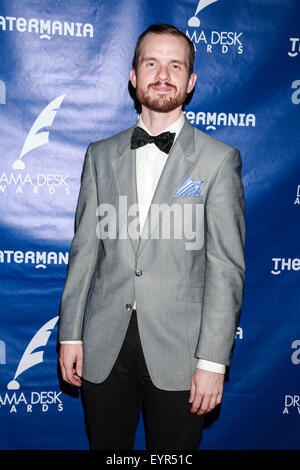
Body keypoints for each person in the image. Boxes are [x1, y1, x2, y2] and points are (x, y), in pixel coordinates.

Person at [58, 23, 246, 451]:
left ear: (191, 81)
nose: (163, 75)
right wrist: (71, 334)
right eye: (152, 63)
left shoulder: (219, 161)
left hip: (183, 350)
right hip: (103, 344)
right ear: (133, 76)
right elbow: (85, 251)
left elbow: (225, 269)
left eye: (175, 65)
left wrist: (213, 361)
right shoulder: (99, 155)